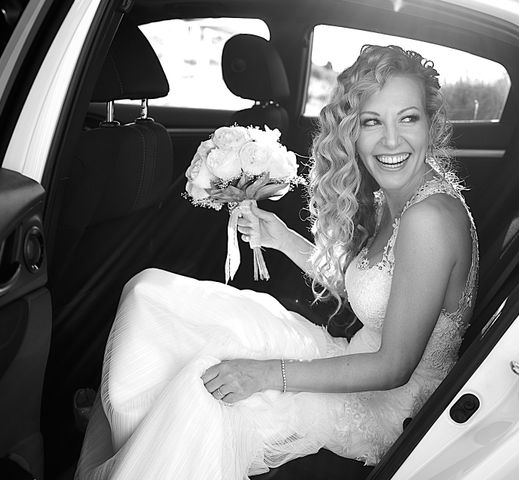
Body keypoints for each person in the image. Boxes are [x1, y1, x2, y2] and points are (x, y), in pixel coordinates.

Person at [75, 44, 478, 480]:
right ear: (352, 131)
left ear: (431, 125)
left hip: (380, 405)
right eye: (372, 121)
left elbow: (394, 367)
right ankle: (130, 433)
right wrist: (282, 239)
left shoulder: (429, 221)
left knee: (202, 386)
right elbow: (372, 289)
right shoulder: (397, 197)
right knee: (149, 296)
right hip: (350, 359)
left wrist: (266, 374)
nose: (392, 140)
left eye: (408, 118)